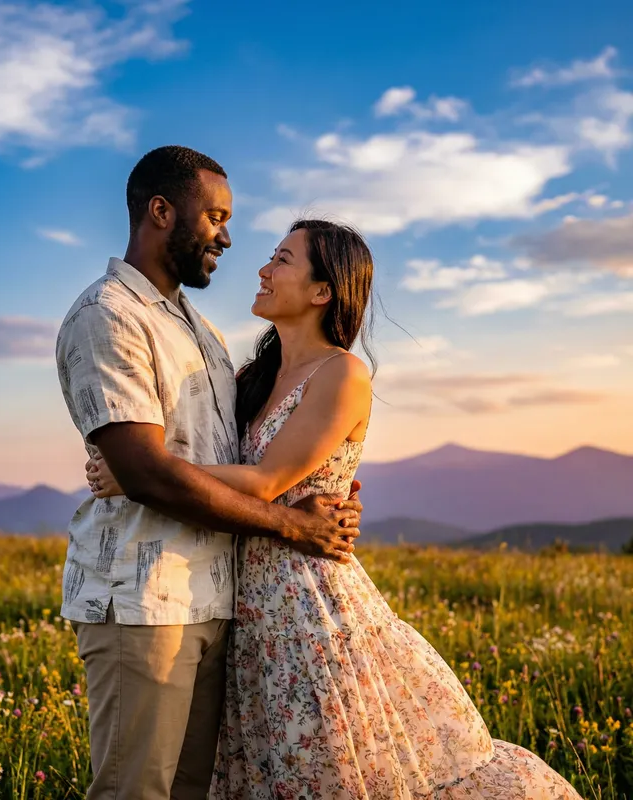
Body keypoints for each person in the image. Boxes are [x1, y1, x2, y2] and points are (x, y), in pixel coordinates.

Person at [87, 219, 584, 799]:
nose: (263, 269)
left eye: (282, 260)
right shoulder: (252, 376)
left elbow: (267, 480)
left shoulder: (343, 373)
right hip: (243, 604)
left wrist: (137, 475)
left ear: (323, 292)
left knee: (325, 771)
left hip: (305, 604)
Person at [55, 146, 363, 800]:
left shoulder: (206, 335)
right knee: (136, 791)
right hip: (142, 600)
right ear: (162, 212)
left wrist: (327, 493)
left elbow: (242, 460)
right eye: (215, 216)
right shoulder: (108, 315)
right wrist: (292, 523)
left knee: (195, 790)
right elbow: (149, 475)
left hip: (217, 601)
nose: (227, 236)